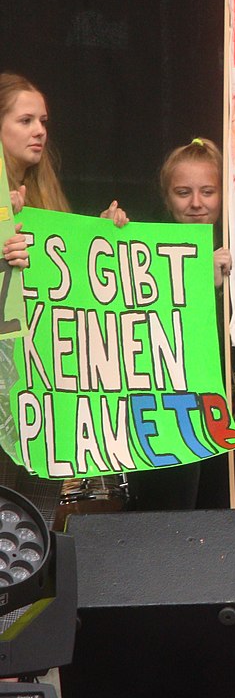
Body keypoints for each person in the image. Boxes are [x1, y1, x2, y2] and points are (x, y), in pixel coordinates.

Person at [0, 71, 128, 528]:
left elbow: (69, 285)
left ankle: (22, 603)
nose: (39, 130)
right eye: (25, 120)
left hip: (43, 391)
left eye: (43, 120)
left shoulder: (46, 198)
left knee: (31, 528)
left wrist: (100, 237)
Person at [128, 137, 235, 511]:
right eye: (183, 192)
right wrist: (198, 284)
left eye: (208, 191)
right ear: (166, 197)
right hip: (167, 412)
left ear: (224, 194)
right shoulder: (146, 255)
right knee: (167, 525)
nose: (196, 203)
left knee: (225, 528)